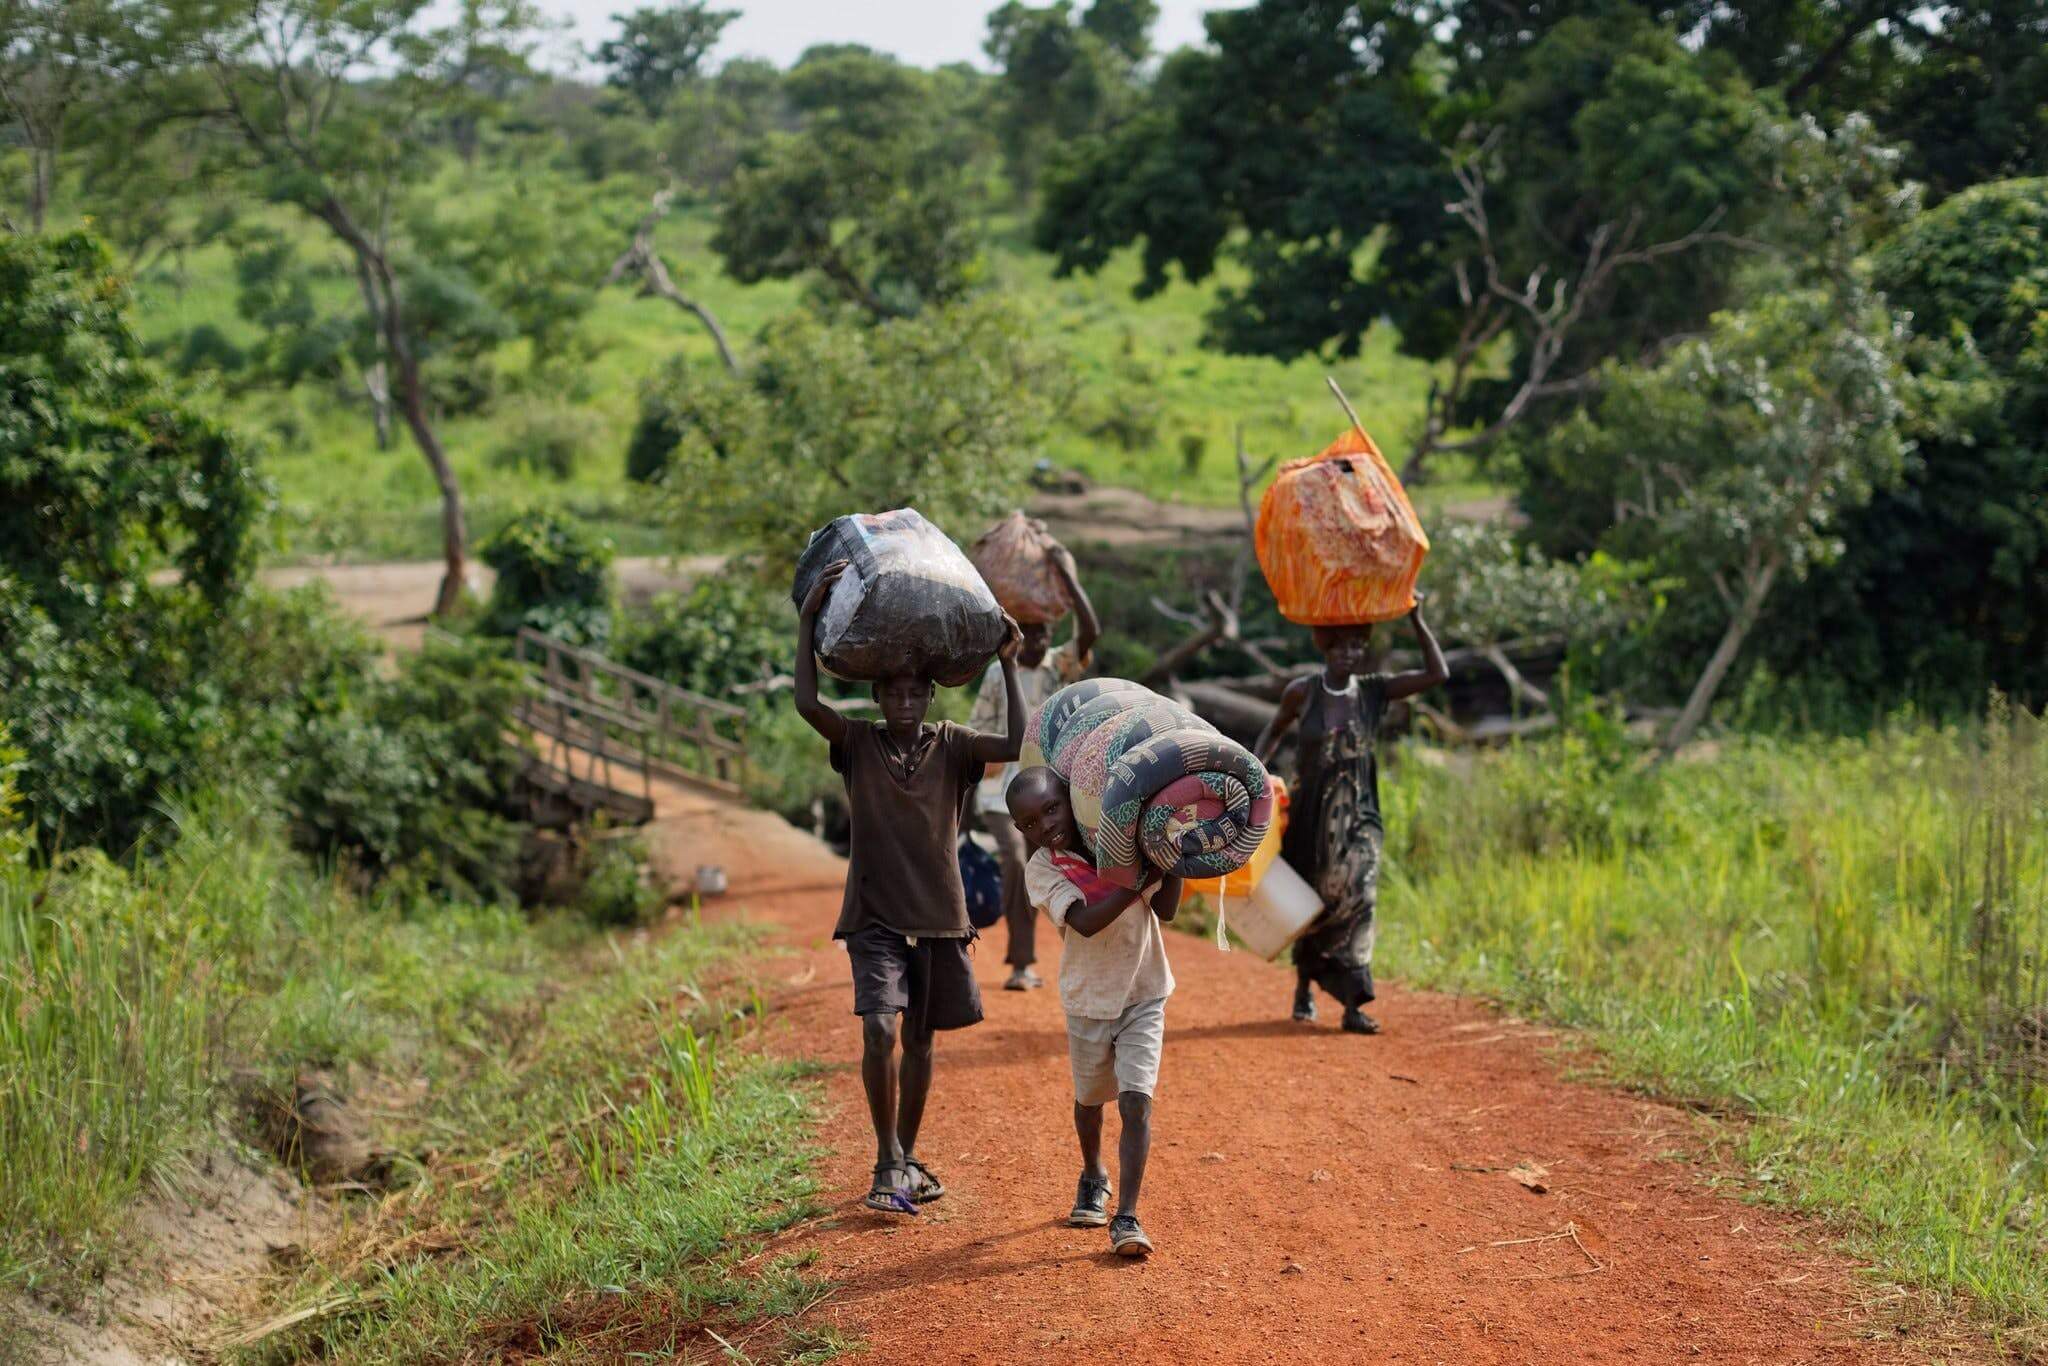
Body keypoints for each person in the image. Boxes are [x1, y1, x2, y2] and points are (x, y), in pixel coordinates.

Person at [795, 559, 1025, 1215]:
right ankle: (884, 1158)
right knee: (877, 1028)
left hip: (942, 917)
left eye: (913, 694)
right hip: (872, 917)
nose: (901, 703)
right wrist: (809, 618)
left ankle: (904, 1153)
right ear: (876, 699)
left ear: (929, 698)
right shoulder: (857, 745)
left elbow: (1013, 740)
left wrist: (1007, 661)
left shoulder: (954, 746)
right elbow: (808, 702)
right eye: (891, 694)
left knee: (921, 1042)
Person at [1006, 764, 1181, 1259]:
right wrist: (1135, 879)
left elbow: (1165, 910)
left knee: (1135, 1101)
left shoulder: (1119, 840)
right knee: (1089, 1101)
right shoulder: (1042, 868)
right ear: (1020, 831)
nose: (1044, 826)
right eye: (1030, 823)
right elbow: (1082, 922)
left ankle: (1126, 1215)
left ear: (1072, 798)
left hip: (1145, 989)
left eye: (1052, 809)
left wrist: (1173, 859)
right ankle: (1092, 1171)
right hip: (1088, 999)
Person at [1254, 597, 1447, 1036]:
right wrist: (1253, 773)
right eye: (1342, 645)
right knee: (1313, 900)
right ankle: (1304, 985)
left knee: (1361, 898)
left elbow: (1438, 674)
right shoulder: (1303, 691)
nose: (1351, 653)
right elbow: (1273, 730)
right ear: (1325, 646)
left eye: (1358, 645)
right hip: (1309, 819)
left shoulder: (1375, 691)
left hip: (1360, 818)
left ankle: (1354, 1004)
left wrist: (1418, 620)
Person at [968, 541, 1100, 991]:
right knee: (1015, 861)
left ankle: (1083, 960)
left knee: (1059, 866)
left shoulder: (1058, 666)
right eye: (1027, 632)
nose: (1037, 641)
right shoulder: (994, 674)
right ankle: (1022, 962)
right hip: (997, 790)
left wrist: (1070, 579)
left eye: (1043, 632)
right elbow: (977, 731)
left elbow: (1089, 634)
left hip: (1050, 792)